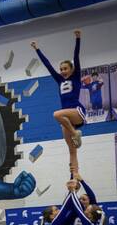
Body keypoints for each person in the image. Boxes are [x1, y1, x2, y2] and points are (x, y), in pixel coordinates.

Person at [32, 30, 85, 174]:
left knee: (56, 115)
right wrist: (37, 49)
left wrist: (78, 39)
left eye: (65, 68)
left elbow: (76, 56)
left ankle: (75, 133)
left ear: (71, 69)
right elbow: (48, 65)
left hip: (76, 111)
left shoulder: (75, 77)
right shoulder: (60, 80)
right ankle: (75, 176)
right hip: (66, 117)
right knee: (72, 151)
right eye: (61, 69)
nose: (62, 71)